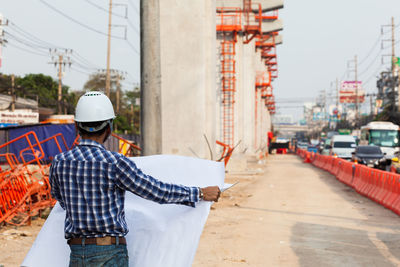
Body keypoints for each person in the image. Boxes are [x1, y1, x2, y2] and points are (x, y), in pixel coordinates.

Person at [49, 91, 221, 267]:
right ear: (109, 128)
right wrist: (199, 193)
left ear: (77, 126)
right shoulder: (115, 163)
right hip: (109, 254)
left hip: (77, 255)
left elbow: (60, 199)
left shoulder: (59, 162)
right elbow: (156, 191)